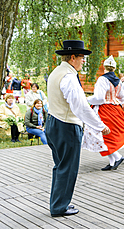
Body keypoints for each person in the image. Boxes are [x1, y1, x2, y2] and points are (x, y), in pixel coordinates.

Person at [45, 40, 110, 217]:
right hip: (65, 126)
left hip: (53, 122)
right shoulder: (69, 77)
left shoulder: (56, 72)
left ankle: (57, 202)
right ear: (73, 57)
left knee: (60, 166)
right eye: (82, 57)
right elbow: (80, 107)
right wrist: (99, 126)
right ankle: (59, 207)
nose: (84, 61)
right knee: (68, 167)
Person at [85, 55, 124, 171]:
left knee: (100, 135)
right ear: (114, 69)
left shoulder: (102, 79)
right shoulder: (118, 81)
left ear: (104, 67)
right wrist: (123, 103)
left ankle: (117, 157)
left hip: (104, 110)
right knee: (108, 136)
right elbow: (121, 97)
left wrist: (87, 99)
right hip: (116, 109)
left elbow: (99, 98)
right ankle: (112, 161)